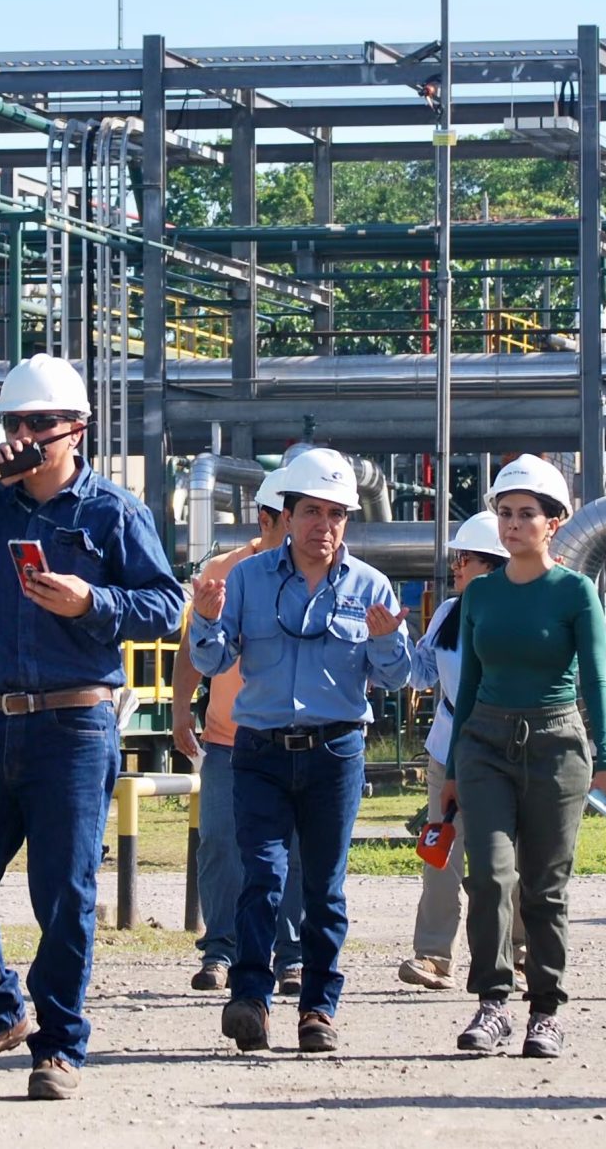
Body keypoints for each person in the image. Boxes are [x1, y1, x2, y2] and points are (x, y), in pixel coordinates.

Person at [0, 354, 183, 1102]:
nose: (23, 438)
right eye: (12, 424)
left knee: (63, 893)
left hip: (74, 722)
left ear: (76, 430)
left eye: (38, 425)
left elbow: (166, 604)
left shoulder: (114, 512)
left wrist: (91, 602)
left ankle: (59, 1045)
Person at [188, 446, 411, 1054]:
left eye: (337, 514)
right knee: (261, 874)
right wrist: (206, 622)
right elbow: (213, 661)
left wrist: (389, 643)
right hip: (258, 750)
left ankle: (318, 1008)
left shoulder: (372, 586)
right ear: (286, 516)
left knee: (323, 887)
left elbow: (395, 679)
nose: (325, 526)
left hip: (334, 754)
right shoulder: (247, 580)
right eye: (313, 511)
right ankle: (251, 999)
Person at [446, 458, 606, 1059]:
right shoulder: (480, 595)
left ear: (555, 523)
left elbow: (596, 684)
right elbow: (467, 688)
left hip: (556, 747)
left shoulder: (575, 592)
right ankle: (493, 1001)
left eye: (527, 514)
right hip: (484, 746)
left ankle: (546, 1010)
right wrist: (451, 770)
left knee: (545, 887)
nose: (513, 524)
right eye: (504, 513)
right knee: (490, 878)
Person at [173, 468, 304, 996]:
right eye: (292, 521)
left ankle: (291, 955)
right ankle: (220, 950)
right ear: (265, 519)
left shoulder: (315, 573)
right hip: (229, 738)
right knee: (221, 844)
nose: (303, 533)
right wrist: (181, 709)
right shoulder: (224, 573)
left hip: (295, 739)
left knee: (294, 849)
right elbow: (192, 647)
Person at [398, 509, 509, 990]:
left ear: (493, 564)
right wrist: (391, 637)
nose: (457, 567)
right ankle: (433, 954)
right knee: (440, 852)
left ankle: (519, 954)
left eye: (466, 558)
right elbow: (420, 673)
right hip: (448, 751)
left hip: (507, 750)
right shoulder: (447, 612)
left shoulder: (520, 615)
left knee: (513, 858)